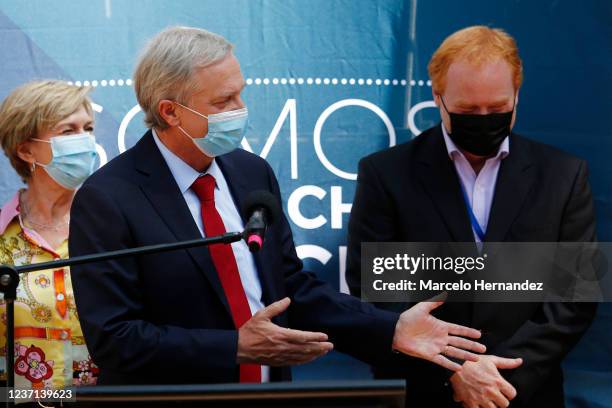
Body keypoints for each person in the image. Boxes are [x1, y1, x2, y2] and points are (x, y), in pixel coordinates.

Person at [69, 26, 486, 386]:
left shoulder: (252, 173)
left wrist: (391, 328)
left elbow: (290, 287)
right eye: (223, 101)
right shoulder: (108, 198)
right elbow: (115, 338)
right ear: (170, 112)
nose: (240, 110)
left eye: (240, 94)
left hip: (272, 395)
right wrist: (235, 347)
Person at [346, 26, 597, 407]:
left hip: (524, 393)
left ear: (517, 95)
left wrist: (502, 376)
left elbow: (575, 296)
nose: (483, 119)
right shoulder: (387, 174)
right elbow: (375, 294)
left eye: (497, 109)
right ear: (437, 97)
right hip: (422, 393)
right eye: (466, 111)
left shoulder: (563, 175)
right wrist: (454, 375)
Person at [0, 80, 100, 391]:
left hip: (111, 401)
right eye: (68, 131)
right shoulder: (3, 237)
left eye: (88, 128)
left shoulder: (111, 227)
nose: (84, 141)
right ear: (26, 149)